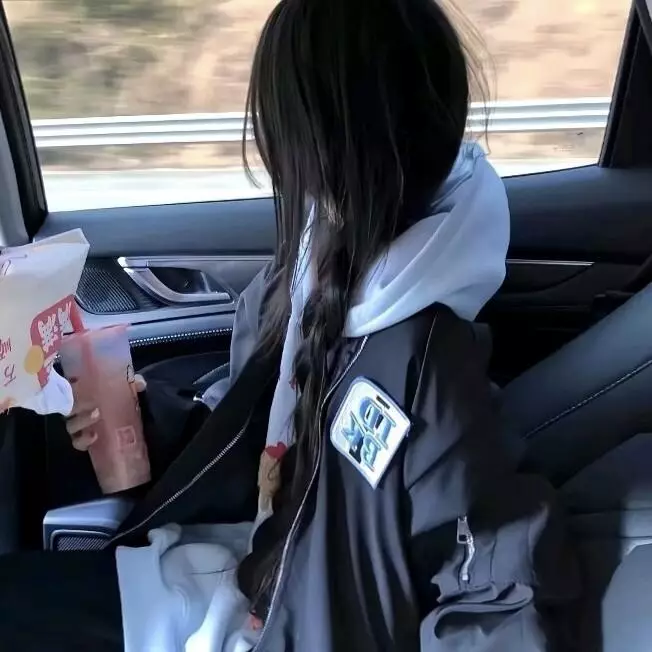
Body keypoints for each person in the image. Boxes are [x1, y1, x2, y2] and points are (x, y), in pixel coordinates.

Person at [0, 0, 581, 650]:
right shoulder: (309, 270)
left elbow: (499, 590)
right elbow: (264, 448)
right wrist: (150, 423)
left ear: (316, 146)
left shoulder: (421, 370)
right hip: (241, 579)